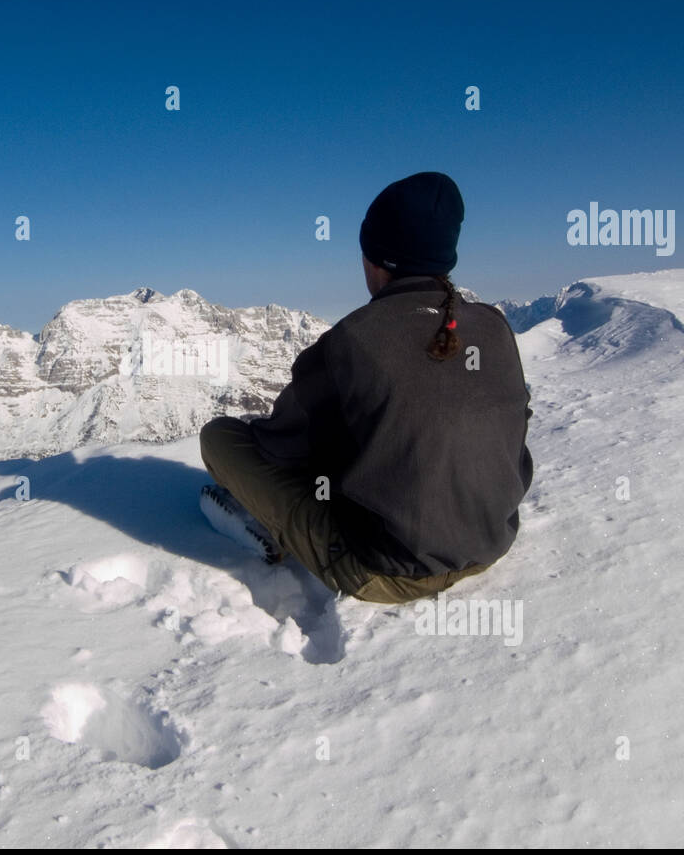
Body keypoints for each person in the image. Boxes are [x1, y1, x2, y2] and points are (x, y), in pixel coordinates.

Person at [199, 171, 534, 604]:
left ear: (375, 260)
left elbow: (278, 448)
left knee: (220, 439)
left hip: (387, 570)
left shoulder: (352, 340)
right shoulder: (492, 325)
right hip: (492, 542)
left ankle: (267, 527)